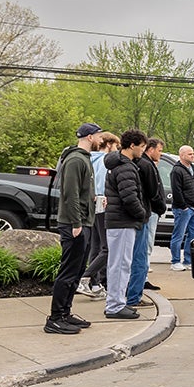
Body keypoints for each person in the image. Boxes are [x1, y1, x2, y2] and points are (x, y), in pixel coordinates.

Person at [45, 122, 102, 334]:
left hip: (84, 222)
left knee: (77, 271)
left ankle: (65, 313)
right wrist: (76, 222)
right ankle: (55, 318)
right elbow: (70, 194)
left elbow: (82, 192)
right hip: (74, 225)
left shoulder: (84, 159)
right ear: (89, 137)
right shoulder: (76, 159)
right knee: (68, 272)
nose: (101, 139)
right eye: (98, 135)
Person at [103, 130, 148, 320]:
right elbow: (129, 197)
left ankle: (117, 302)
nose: (143, 151)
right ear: (132, 145)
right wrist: (142, 214)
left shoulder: (119, 165)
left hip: (118, 221)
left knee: (119, 264)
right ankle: (115, 306)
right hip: (122, 221)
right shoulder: (126, 167)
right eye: (142, 146)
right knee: (121, 264)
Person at [80, 131, 119, 298]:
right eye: (116, 146)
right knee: (108, 248)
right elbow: (103, 186)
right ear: (108, 144)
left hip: (92, 207)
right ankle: (85, 278)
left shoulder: (89, 158)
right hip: (103, 205)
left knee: (95, 247)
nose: (117, 149)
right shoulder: (105, 161)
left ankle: (95, 285)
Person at [128, 136, 166, 303]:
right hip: (146, 213)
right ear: (150, 149)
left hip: (143, 212)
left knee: (138, 253)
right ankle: (134, 295)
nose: (161, 154)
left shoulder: (140, 164)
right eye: (159, 150)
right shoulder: (145, 165)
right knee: (141, 254)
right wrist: (160, 206)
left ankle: (134, 291)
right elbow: (153, 191)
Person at [169, 145, 194, 271]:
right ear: (182, 155)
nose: (192, 156)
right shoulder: (177, 171)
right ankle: (175, 261)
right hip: (183, 208)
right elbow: (176, 190)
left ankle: (188, 260)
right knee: (179, 234)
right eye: (190, 154)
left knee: (193, 234)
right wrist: (183, 206)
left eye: (193, 153)